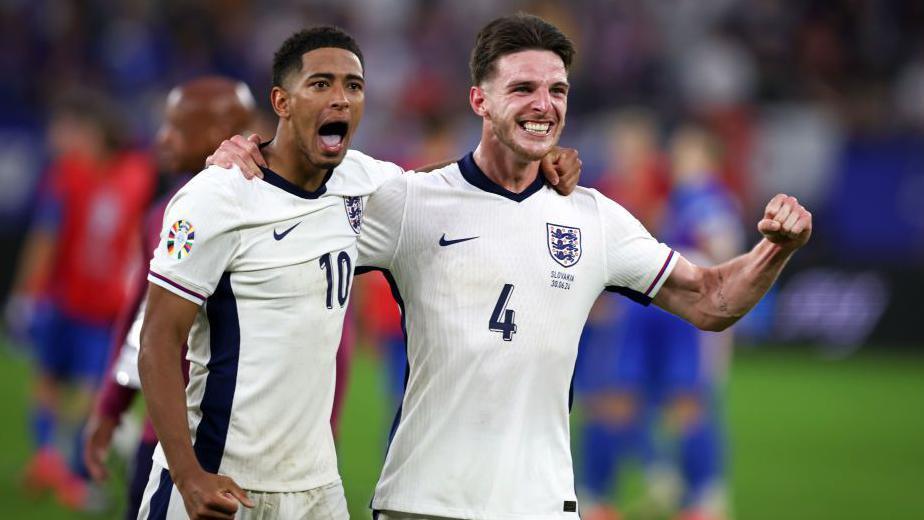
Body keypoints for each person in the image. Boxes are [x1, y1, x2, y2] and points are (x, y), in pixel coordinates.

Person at [213, 14, 810, 520]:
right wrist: (249, 155)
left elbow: (711, 300)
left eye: (558, 90)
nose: (544, 105)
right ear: (480, 99)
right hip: (423, 503)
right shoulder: (410, 202)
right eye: (523, 88)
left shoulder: (594, 218)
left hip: (543, 505)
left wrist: (774, 248)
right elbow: (288, 214)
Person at [138, 26, 580, 520]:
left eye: (353, 85)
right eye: (321, 84)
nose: (341, 99)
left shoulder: (362, 182)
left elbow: (451, 185)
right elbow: (158, 338)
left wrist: (534, 159)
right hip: (219, 477)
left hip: (316, 488)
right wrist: (188, 475)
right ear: (282, 102)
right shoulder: (216, 197)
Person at [81, 76, 258, 520]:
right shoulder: (163, 213)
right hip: (163, 432)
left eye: (176, 128)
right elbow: (141, 319)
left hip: (248, 437)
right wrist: (112, 405)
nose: (161, 138)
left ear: (219, 133)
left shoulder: (275, 208)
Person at [577, 125, 746, 520]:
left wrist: (721, 320)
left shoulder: (708, 200)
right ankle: (603, 495)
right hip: (648, 309)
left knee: (682, 402)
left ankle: (703, 497)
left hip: (680, 313)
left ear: (708, 158)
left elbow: (723, 260)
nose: (677, 157)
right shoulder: (678, 198)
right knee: (617, 398)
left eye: (687, 151)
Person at [9, 91, 156, 509]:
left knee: (88, 391)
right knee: (50, 378)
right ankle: (50, 460)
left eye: (80, 131)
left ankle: (67, 467)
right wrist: (27, 294)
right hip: (66, 301)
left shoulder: (128, 176)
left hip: (103, 306)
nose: (71, 139)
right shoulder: (77, 174)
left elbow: (138, 237)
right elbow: (46, 239)